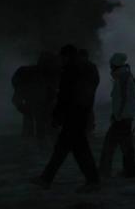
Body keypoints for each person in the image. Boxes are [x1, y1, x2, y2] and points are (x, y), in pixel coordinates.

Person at [30, 45, 100, 191]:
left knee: (77, 150)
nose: (60, 60)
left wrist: (56, 117)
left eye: (62, 57)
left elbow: (65, 97)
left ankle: (93, 181)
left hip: (72, 116)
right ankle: (46, 179)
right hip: (80, 114)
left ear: (67, 56)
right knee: (64, 149)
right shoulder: (87, 69)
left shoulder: (71, 71)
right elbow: (87, 92)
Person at [99, 53, 135, 179]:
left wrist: (117, 116)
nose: (110, 68)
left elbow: (123, 100)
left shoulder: (122, 78)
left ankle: (104, 172)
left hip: (121, 119)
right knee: (127, 147)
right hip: (125, 118)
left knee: (109, 146)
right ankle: (130, 172)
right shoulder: (125, 77)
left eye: (111, 65)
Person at [12, 53, 56, 139]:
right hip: (34, 100)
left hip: (32, 100)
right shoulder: (46, 73)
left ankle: (31, 137)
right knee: (37, 121)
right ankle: (36, 138)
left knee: (32, 120)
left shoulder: (26, 70)